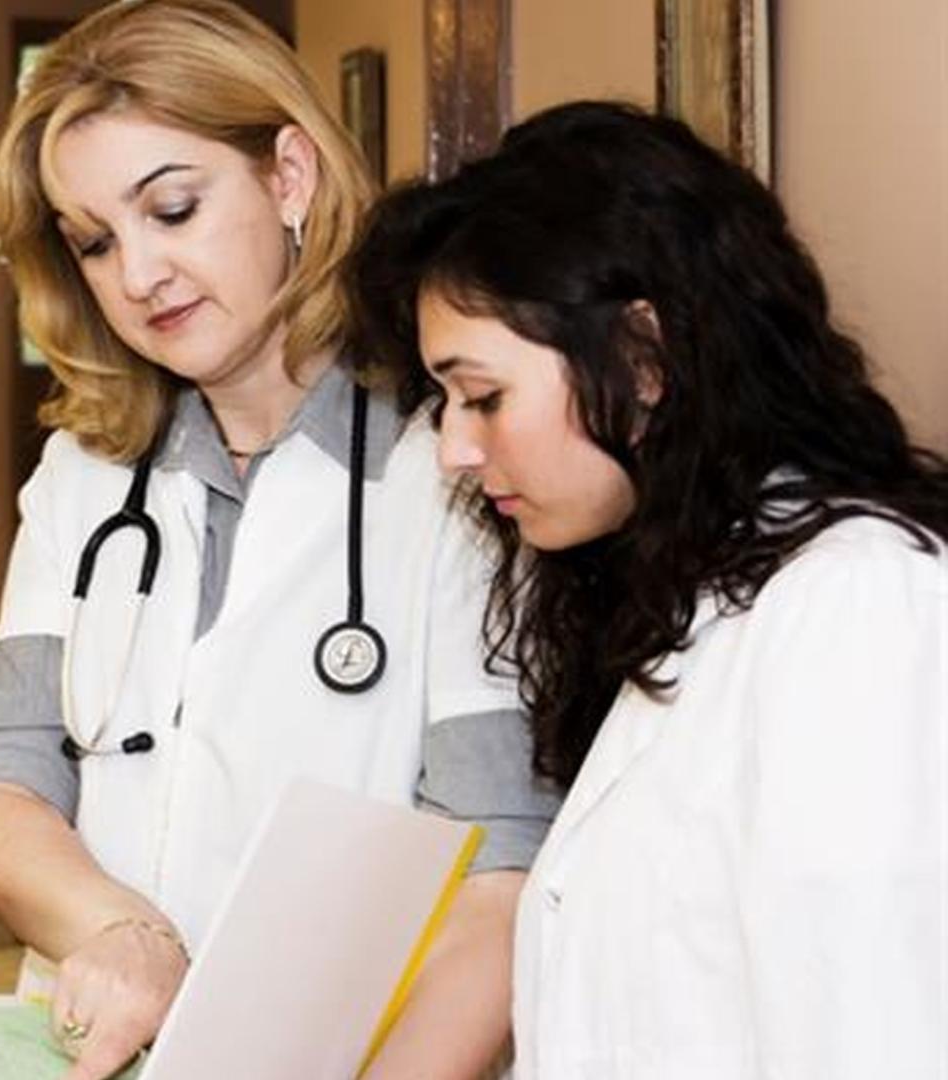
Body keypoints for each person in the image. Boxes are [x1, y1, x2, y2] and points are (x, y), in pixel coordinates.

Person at [0, 3, 561, 1077]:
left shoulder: (456, 460)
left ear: (289, 176)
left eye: (172, 209)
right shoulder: (88, 472)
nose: (138, 276)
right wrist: (121, 933)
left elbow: (500, 862)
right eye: (94, 241)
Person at [348, 100, 948, 1077]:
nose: (456, 451)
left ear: (642, 355)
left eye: (485, 396)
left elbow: (876, 1038)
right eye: (445, 404)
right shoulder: (674, 611)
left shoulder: (859, 609)